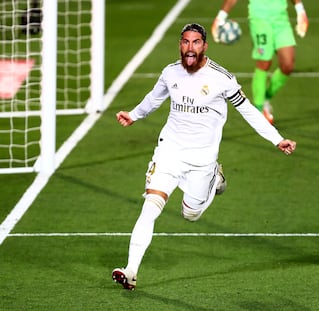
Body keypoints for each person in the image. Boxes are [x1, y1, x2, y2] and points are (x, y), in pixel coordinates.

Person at [112, 23, 297, 290]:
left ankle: (214, 177)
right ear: (180, 45)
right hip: (169, 152)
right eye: (185, 42)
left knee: (191, 214)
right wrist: (134, 114)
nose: (190, 48)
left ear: (204, 46)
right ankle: (131, 270)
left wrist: (277, 138)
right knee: (150, 207)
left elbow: (248, 111)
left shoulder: (222, 78)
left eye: (196, 42)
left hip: (202, 160)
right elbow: (154, 98)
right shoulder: (170, 73)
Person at [211, 0, 308, 124]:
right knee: (264, 63)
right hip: (259, 19)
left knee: (288, 65)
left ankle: (266, 97)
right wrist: (220, 18)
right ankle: (258, 109)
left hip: (281, 20)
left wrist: (300, 11)